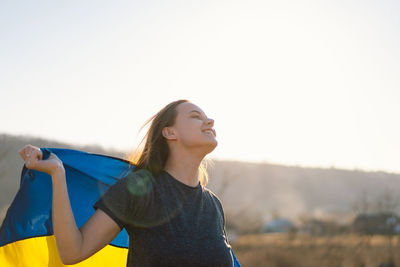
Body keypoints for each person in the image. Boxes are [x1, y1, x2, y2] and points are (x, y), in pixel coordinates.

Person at [18, 99, 235, 266]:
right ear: (170, 133)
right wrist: (58, 174)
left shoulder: (213, 205)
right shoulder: (140, 189)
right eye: (196, 116)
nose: (210, 121)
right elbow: (73, 252)